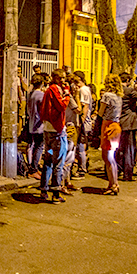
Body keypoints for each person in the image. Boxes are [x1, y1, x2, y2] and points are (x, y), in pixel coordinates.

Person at [40, 69, 71, 203]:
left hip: (48, 129)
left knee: (48, 159)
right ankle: (55, 192)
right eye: (62, 78)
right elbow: (61, 106)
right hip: (56, 130)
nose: (64, 80)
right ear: (56, 78)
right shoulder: (54, 90)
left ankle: (44, 189)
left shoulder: (49, 89)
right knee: (58, 161)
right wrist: (67, 95)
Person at [119, 73, 137, 182]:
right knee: (129, 149)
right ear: (128, 80)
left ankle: (117, 169)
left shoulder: (114, 91)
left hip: (118, 121)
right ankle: (128, 173)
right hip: (129, 122)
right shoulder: (129, 91)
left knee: (119, 148)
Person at [98, 74, 123, 196]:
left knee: (108, 157)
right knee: (111, 155)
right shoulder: (119, 97)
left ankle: (114, 184)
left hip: (107, 125)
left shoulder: (107, 96)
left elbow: (101, 112)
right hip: (116, 125)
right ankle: (112, 182)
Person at [26, 74, 46, 179]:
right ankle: (34, 168)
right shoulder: (41, 95)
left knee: (33, 146)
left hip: (32, 123)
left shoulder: (30, 94)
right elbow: (44, 110)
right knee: (39, 147)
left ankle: (33, 167)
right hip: (40, 125)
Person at [74, 71, 92, 179]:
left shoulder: (83, 90)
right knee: (81, 145)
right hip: (84, 121)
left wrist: (82, 119)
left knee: (81, 145)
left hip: (83, 121)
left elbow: (85, 106)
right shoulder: (86, 89)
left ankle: (82, 168)